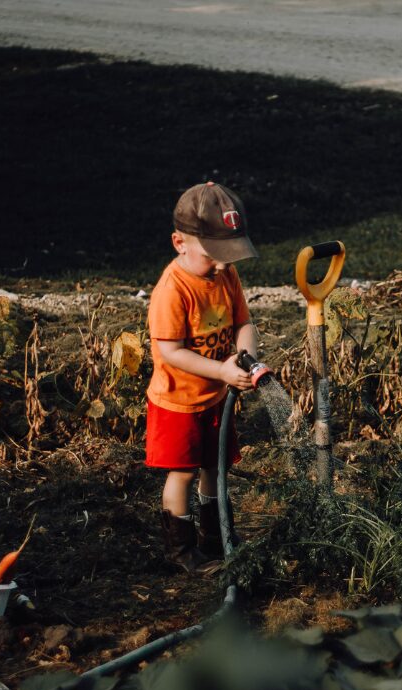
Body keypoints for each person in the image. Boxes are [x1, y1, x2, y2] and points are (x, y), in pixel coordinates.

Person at [145, 181, 260, 576]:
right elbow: (170, 352)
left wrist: (246, 360)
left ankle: (217, 534)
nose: (224, 265)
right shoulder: (173, 290)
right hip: (177, 400)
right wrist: (221, 370)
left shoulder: (225, 277)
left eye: (231, 256)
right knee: (184, 471)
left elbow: (245, 323)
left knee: (215, 465)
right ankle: (181, 549)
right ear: (180, 242)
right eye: (214, 256)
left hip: (215, 396)